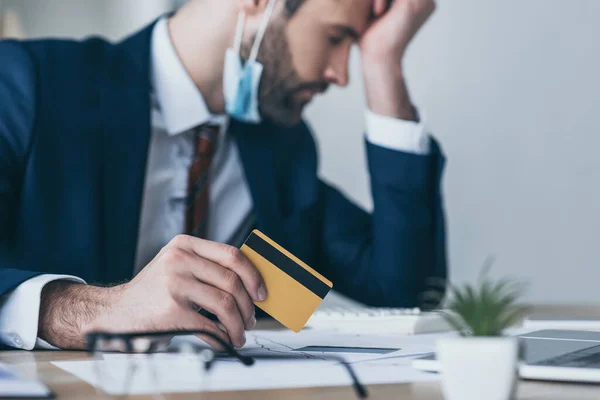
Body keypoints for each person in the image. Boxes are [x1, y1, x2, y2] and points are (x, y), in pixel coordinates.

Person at [0, 0, 446, 351]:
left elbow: (406, 291)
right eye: (336, 37)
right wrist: (88, 311)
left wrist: (384, 65)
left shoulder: (283, 148)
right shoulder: (28, 85)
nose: (340, 73)